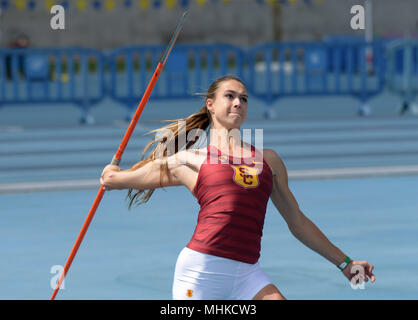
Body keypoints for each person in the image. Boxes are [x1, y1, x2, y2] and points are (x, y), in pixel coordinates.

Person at [100, 75, 375, 300]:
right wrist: (111, 176)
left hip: (248, 274)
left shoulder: (269, 160)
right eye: (229, 96)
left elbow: (298, 222)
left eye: (243, 98)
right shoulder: (191, 160)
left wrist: (345, 263)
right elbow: (120, 180)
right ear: (210, 104)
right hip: (201, 273)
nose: (237, 103)